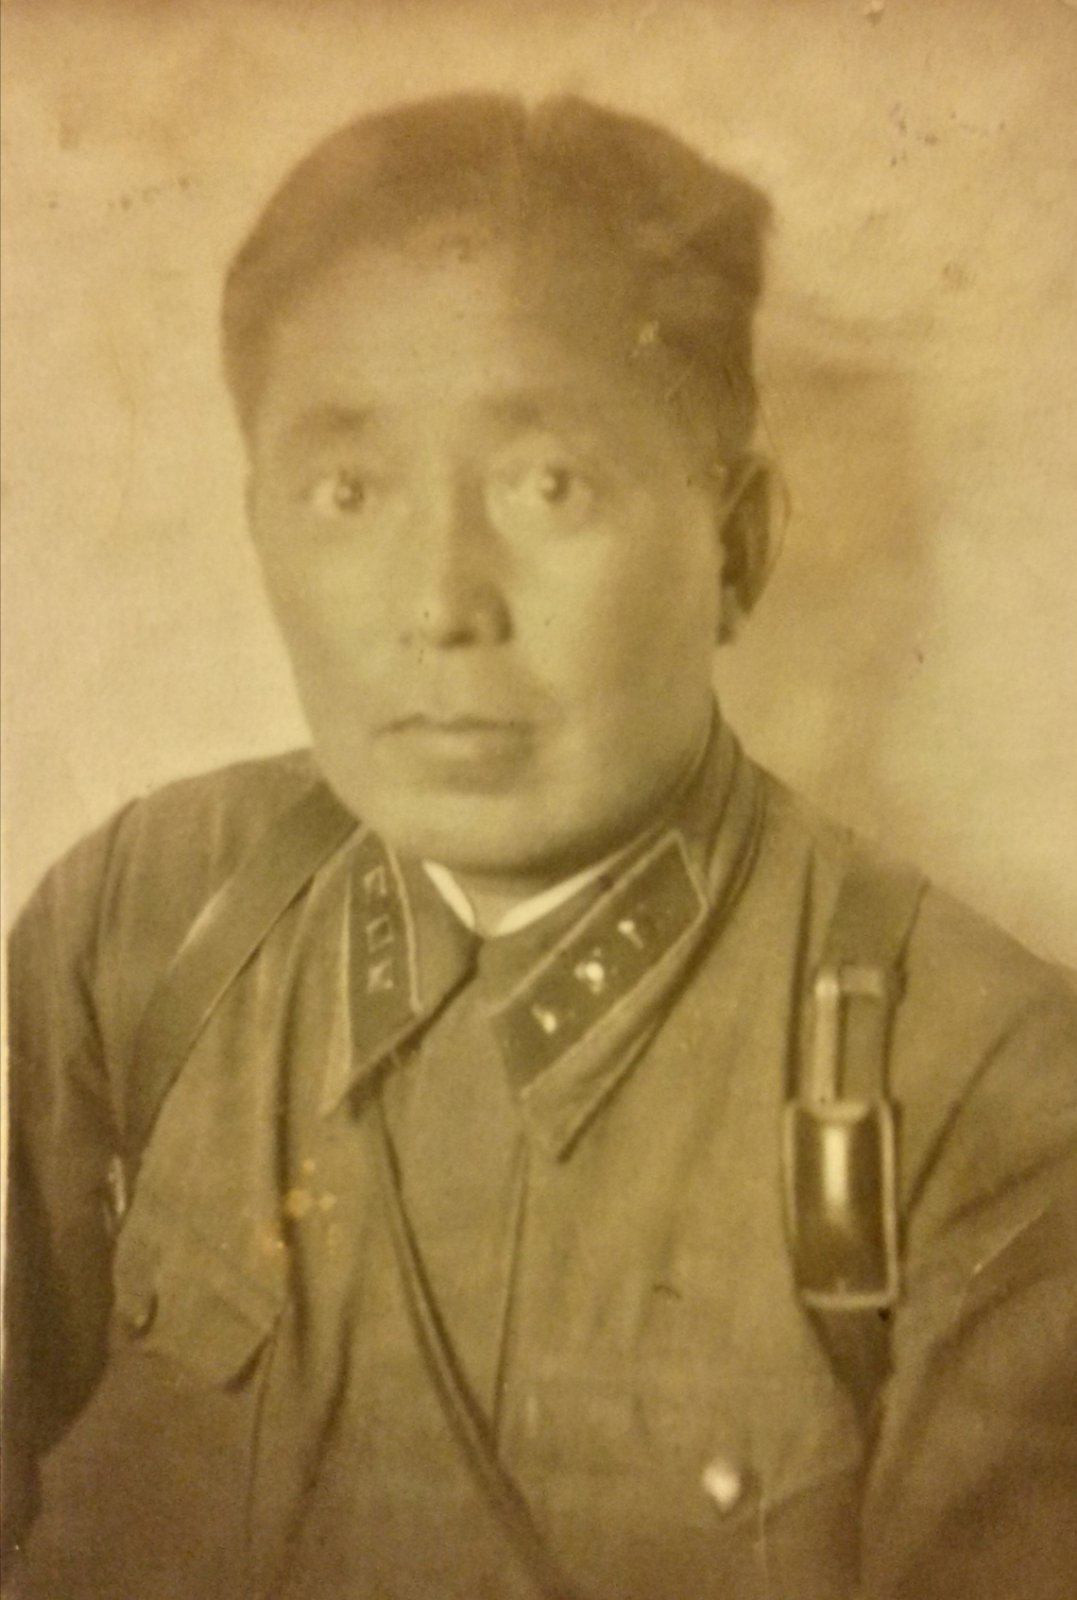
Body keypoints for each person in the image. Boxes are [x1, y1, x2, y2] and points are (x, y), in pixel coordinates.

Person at [4, 93, 1076, 1600]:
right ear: (259, 530)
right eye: (346, 493)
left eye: (547, 485)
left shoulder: (986, 1102)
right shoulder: (140, 921)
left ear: (739, 542)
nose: (439, 604)